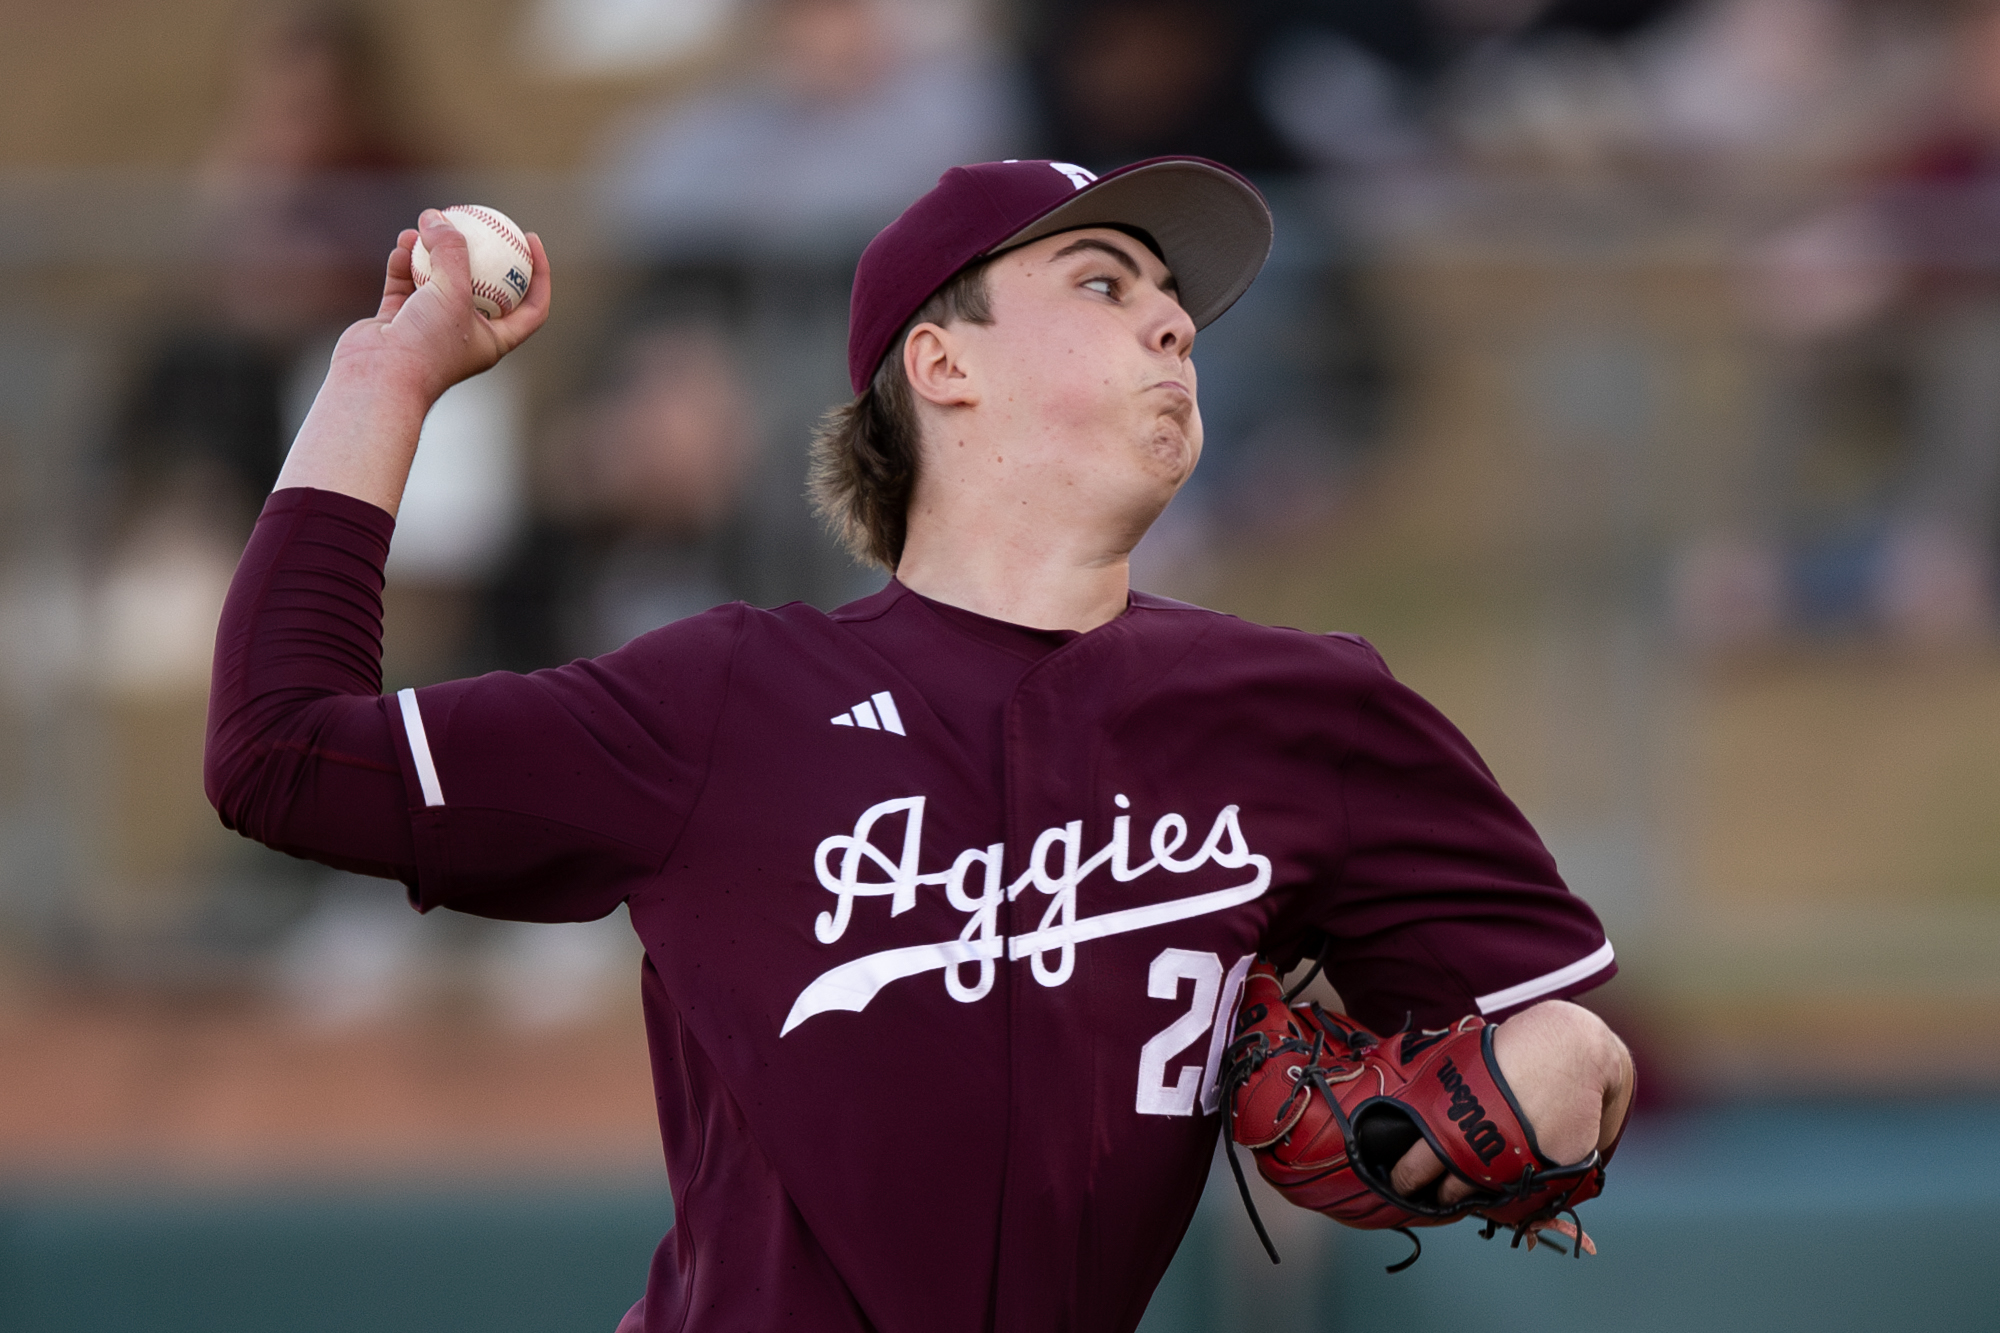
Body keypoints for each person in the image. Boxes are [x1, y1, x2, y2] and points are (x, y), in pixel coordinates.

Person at [205, 157, 1634, 1332]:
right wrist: (383, 382)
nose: (1176, 323)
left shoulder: (1299, 716)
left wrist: (1492, 1114)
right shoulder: (725, 703)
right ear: (941, 364)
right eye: (1102, 282)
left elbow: (1568, 1050)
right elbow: (277, 752)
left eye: (1177, 299)